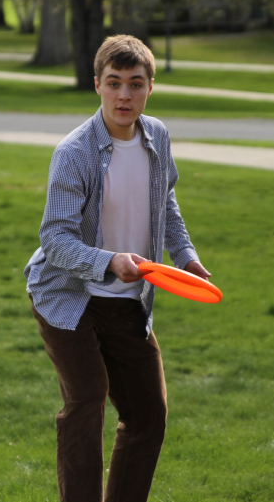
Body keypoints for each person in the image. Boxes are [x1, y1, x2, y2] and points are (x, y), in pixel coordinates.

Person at [24, 35, 211, 502]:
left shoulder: (158, 137)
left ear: (150, 87)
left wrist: (184, 255)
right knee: (87, 400)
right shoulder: (75, 152)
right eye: (114, 83)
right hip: (68, 296)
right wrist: (110, 261)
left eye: (135, 83)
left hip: (130, 298)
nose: (124, 95)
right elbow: (56, 239)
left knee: (148, 414)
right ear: (97, 86)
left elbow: (165, 201)